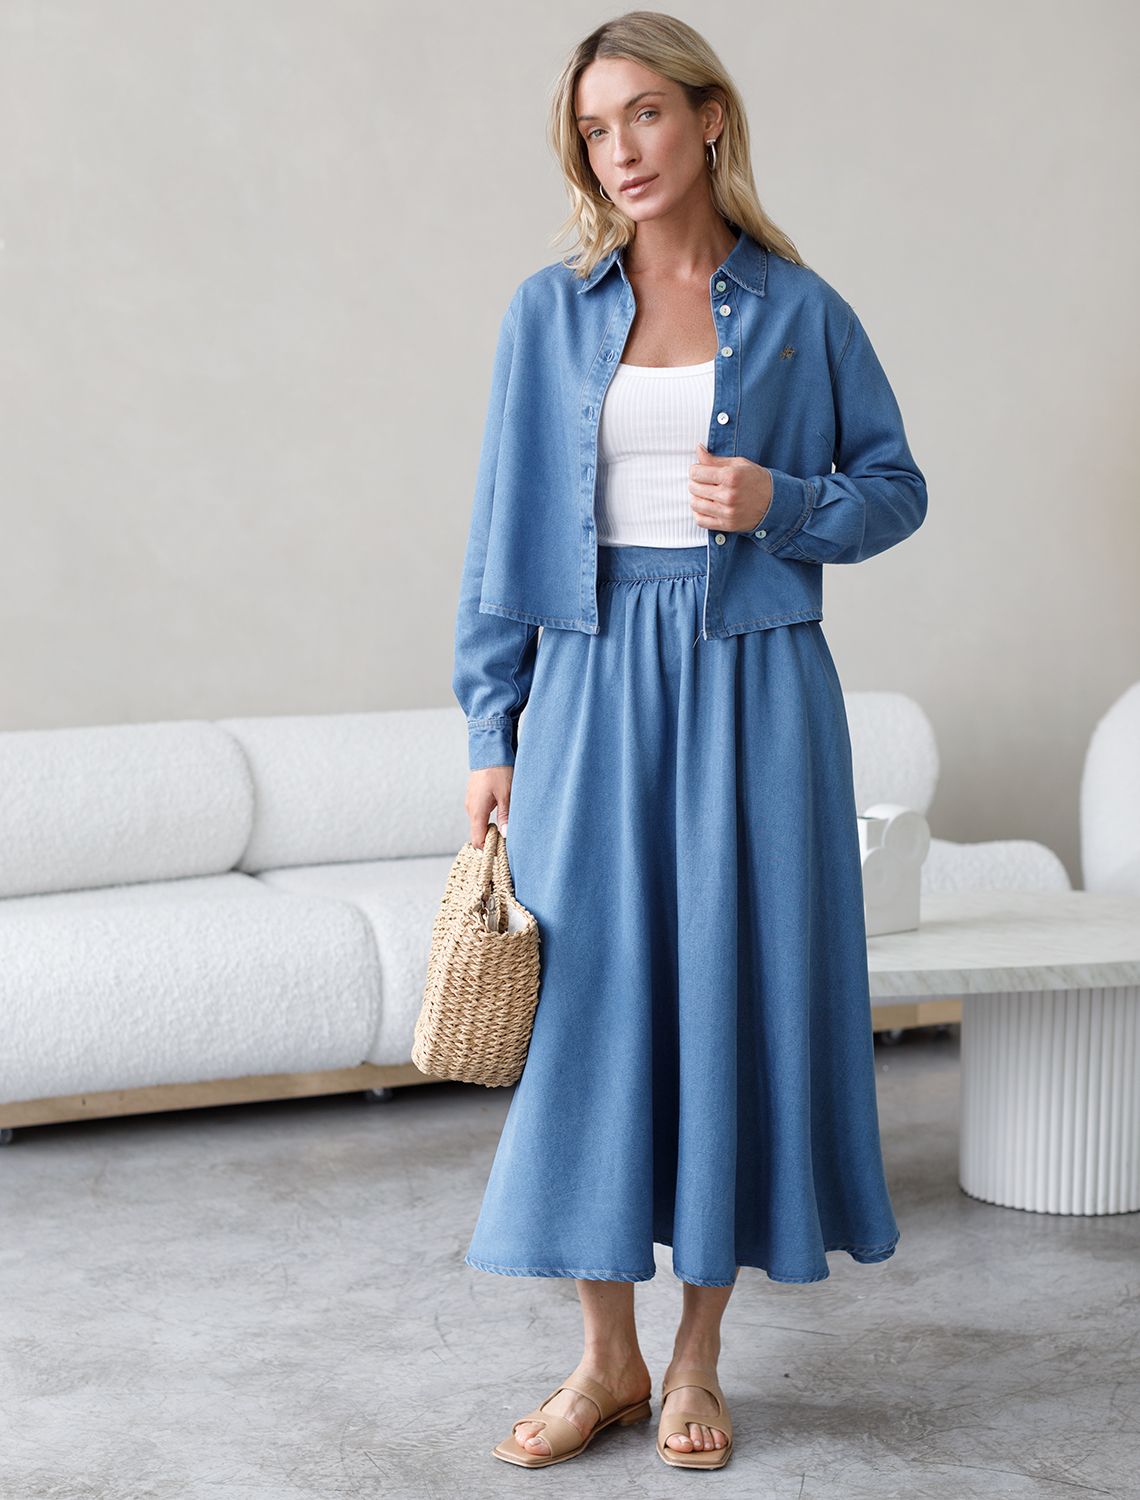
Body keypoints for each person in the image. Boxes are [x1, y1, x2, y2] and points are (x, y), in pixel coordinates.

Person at [451, 10, 927, 1472]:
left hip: (756, 686)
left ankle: (697, 1360)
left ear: (710, 117)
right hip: (592, 685)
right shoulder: (548, 312)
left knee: (730, 996)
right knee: (588, 1010)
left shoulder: (804, 309)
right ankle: (606, 1359)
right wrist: (492, 724)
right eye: (596, 130)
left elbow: (896, 488)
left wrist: (782, 503)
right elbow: (502, 532)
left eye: (644, 115)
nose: (622, 151)